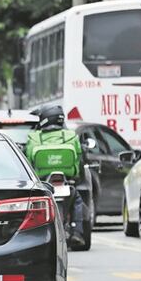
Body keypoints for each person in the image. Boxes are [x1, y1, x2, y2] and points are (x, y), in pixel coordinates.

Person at [25, 105, 87, 247]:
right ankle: (77, 232)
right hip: (66, 181)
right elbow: (78, 158)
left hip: (41, 183)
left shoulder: (33, 138)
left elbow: (28, 159)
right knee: (77, 200)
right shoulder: (71, 136)